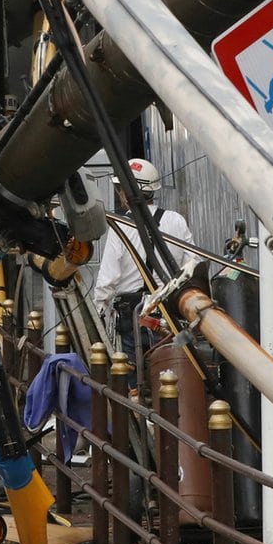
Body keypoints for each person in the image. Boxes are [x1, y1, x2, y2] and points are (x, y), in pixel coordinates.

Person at [93, 158, 202, 387]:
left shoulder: (120, 226)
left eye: (121, 189)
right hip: (169, 312)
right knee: (169, 374)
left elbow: (108, 280)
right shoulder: (175, 221)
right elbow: (193, 265)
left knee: (132, 378)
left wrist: (98, 312)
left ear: (128, 192)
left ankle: (137, 402)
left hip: (131, 314)